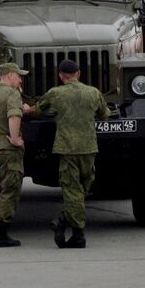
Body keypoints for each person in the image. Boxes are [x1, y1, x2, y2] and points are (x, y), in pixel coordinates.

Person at [38, 59, 110, 248]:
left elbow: (38, 110)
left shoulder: (56, 94)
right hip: (89, 148)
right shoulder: (93, 92)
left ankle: (74, 231)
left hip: (67, 148)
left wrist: (27, 109)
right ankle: (66, 222)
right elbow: (104, 114)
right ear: (78, 73)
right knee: (82, 189)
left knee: (72, 190)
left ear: (61, 76)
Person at [0, 62, 30, 248]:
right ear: (9, 75)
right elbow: (13, 116)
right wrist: (16, 138)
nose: (20, 79)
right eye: (18, 75)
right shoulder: (12, 94)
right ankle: (1, 234)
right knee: (10, 189)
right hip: (9, 149)